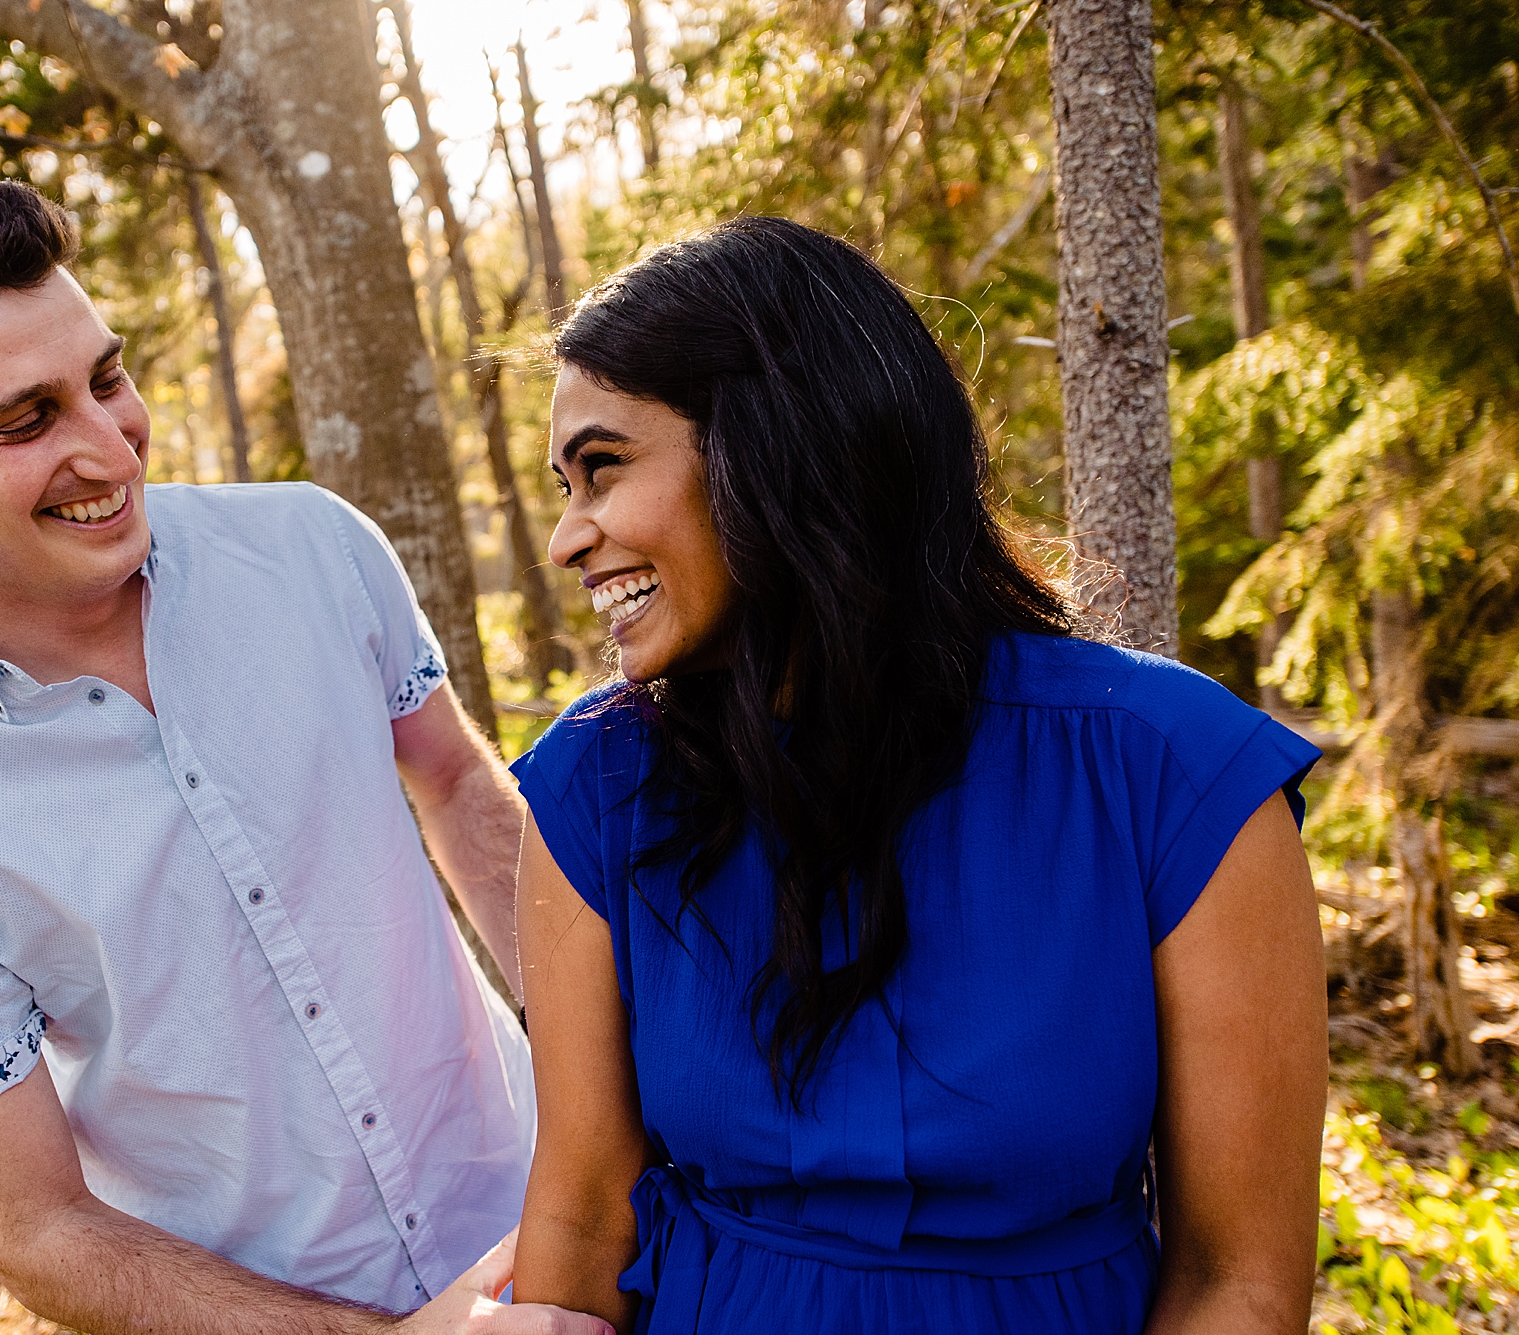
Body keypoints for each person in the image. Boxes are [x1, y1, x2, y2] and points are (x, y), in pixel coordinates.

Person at [0, 172, 608, 1335]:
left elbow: (462, 787)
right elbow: (36, 1229)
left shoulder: (313, 546)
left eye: (107, 379)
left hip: (547, 1210)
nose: (108, 450)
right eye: (26, 421)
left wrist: (613, 1107)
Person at [508, 217, 1329, 1334]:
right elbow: (582, 1219)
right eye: (563, 485)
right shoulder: (593, 788)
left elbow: (1238, 1280)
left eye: (600, 468)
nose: (567, 538)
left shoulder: (1173, 772)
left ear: (775, 445)